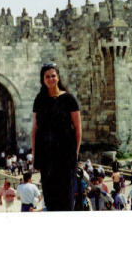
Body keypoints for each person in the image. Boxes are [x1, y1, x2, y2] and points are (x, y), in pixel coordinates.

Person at [31, 62, 82, 211]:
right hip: (46, 156)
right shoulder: (39, 100)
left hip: (65, 155)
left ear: (58, 77)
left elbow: (78, 129)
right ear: (43, 79)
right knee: (50, 197)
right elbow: (34, 130)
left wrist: (76, 153)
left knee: (65, 198)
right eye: (47, 76)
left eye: (53, 75)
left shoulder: (69, 99)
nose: (51, 79)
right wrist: (35, 156)